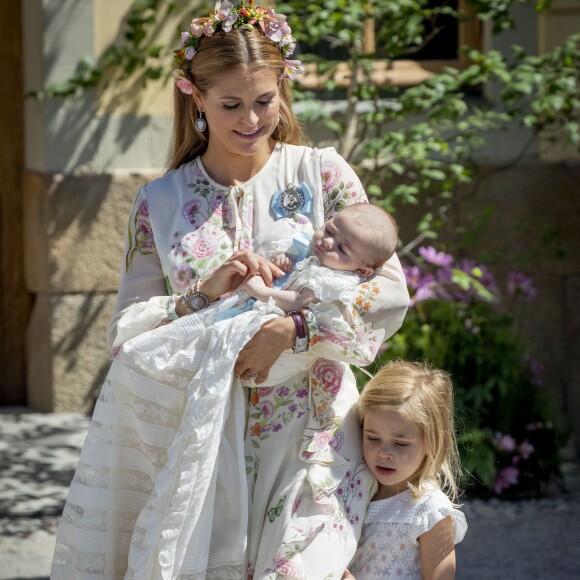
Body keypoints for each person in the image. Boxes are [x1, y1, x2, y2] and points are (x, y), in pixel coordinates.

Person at [51, 2, 410, 579]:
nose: (251, 119)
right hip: (202, 451)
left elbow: (390, 291)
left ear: (283, 89)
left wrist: (293, 330)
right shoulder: (160, 205)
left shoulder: (321, 173)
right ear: (194, 96)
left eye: (264, 101)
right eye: (231, 105)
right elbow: (126, 333)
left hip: (313, 440)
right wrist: (199, 296)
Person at [344, 360, 468, 580]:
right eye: (372, 438)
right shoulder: (355, 490)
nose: (384, 453)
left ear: (431, 441)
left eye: (400, 443)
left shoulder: (428, 510)